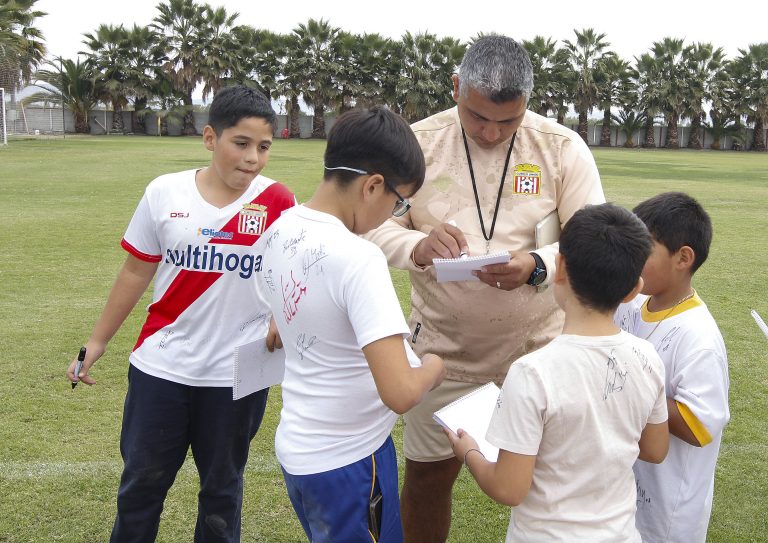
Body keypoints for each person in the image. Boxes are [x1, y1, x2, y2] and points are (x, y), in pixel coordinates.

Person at [364, 34, 605, 541]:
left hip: (541, 354)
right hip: (441, 356)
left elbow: (592, 240)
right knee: (428, 477)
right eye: (477, 117)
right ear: (456, 88)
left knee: (552, 482)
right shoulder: (417, 144)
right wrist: (417, 247)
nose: (491, 133)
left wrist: (537, 264)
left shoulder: (561, 148)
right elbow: (373, 226)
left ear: (528, 104)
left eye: (508, 121)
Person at [66, 85, 296, 543]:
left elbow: (293, 277)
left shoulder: (278, 203)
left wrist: (282, 319)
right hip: (161, 368)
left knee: (222, 491)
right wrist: (97, 342)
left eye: (264, 147)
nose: (253, 158)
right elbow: (135, 272)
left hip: (235, 377)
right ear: (210, 138)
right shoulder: (163, 192)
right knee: (141, 487)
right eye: (241, 143)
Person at [254, 106, 445, 543]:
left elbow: (278, 318)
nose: (393, 213)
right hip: (349, 460)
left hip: (301, 449)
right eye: (398, 203)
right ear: (373, 185)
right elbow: (399, 393)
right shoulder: (358, 257)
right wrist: (435, 365)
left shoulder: (280, 229)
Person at [446, 202, 670, 541]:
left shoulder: (532, 373)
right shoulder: (647, 357)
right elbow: (655, 449)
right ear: (633, 290)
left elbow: (508, 488)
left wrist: (470, 453)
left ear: (560, 268)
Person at [615, 192, 730, 542]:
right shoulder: (631, 305)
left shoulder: (699, 336)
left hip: (668, 512)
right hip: (624, 494)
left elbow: (699, 426)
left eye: (643, 248)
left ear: (683, 258)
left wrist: (625, 386)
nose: (630, 258)